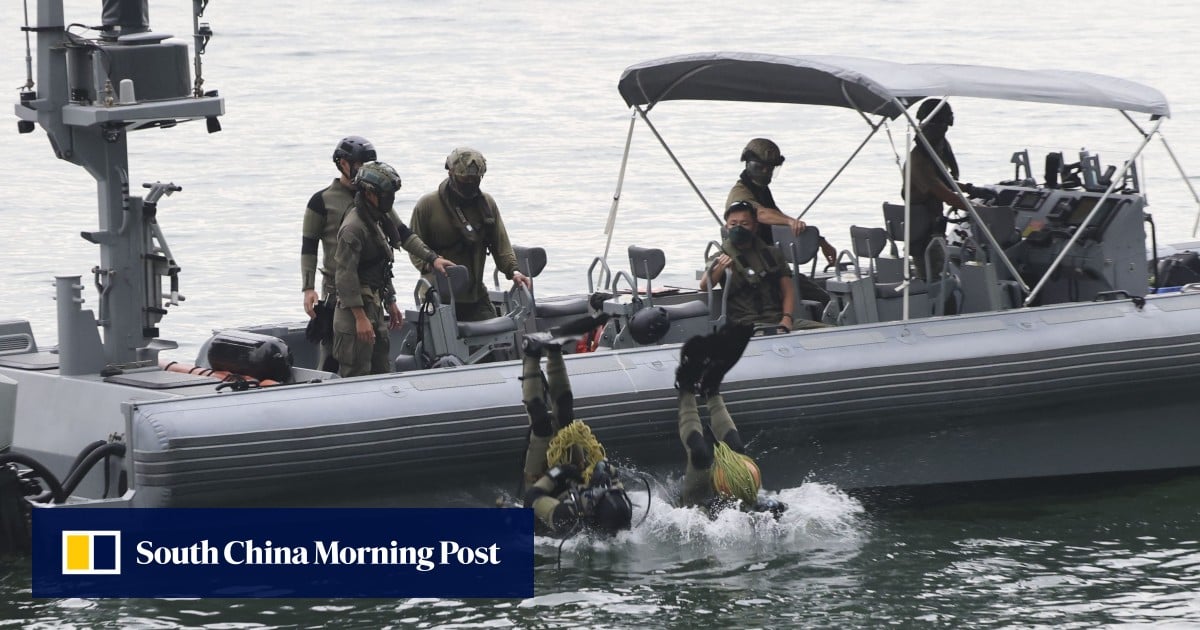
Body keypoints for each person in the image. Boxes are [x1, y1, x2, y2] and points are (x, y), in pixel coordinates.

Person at [332, 162, 452, 377]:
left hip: (374, 304)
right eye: (386, 194)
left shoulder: (379, 216)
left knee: (381, 367)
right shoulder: (353, 228)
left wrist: (391, 299)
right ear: (369, 193)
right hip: (355, 312)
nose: (390, 199)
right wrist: (360, 318)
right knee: (357, 371)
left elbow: (386, 258)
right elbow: (344, 276)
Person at [520, 314, 634, 538]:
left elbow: (531, 499)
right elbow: (613, 477)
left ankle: (531, 354)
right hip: (576, 474)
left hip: (542, 487)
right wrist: (604, 469)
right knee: (566, 420)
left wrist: (556, 472)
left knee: (542, 427)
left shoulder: (568, 517)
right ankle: (554, 351)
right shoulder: (619, 508)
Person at [672, 323, 787, 517]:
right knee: (737, 448)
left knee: (700, 455)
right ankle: (710, 391)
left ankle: (687, 389)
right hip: (727, 493)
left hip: (697, 502)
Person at [409, 147, 531, 322]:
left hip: (475, 295)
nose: (470, 184)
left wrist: (515, 271)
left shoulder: (486, 205)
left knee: (496, 341)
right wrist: (431, 264)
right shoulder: (428, 206)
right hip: (438, 296)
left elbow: (501, 246)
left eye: (475, 179)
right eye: (464, 179)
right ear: (451, 173)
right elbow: (414, 246)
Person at [726, 138, 834, 309]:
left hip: (768, 262)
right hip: (751, 266)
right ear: (748, 164)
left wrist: (820, 241)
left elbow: (776, 216)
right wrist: (791, 221)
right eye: (759, 167)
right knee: (819, 297)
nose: (764, 172)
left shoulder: (761, 191)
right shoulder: (741, 192)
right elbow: (761, 214)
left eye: (769, 168)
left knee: (821, 295)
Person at [301, 136, 379, 372]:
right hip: (337, 290)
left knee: (370, 353)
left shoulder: (372, 197)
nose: (364, 170)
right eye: (359, 164)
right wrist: (308, 288)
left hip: (370, 289)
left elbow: (398, 233)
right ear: (343, 164)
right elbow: (309, 246)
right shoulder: (321, 201)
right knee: (334, 352)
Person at [701, 201, 828, 331]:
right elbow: (705, 285)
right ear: (727, 227)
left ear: (755, 226)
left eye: (745, 224)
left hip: (779, 320)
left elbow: (788, 289)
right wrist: (720, 267)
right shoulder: (720, 256)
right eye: (733, 224)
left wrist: (787, 318)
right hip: (745, 324)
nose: (738, 228)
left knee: (830, 332)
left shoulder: (773, 254)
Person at [901, 99, 969, 279]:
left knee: (942, 277)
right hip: (923, 237)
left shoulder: (933, 153)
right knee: (939, 283)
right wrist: (980, 211)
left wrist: (973, 190)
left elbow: (945, 181)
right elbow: (945, 194)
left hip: (932, 230)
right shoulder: (919, 160)